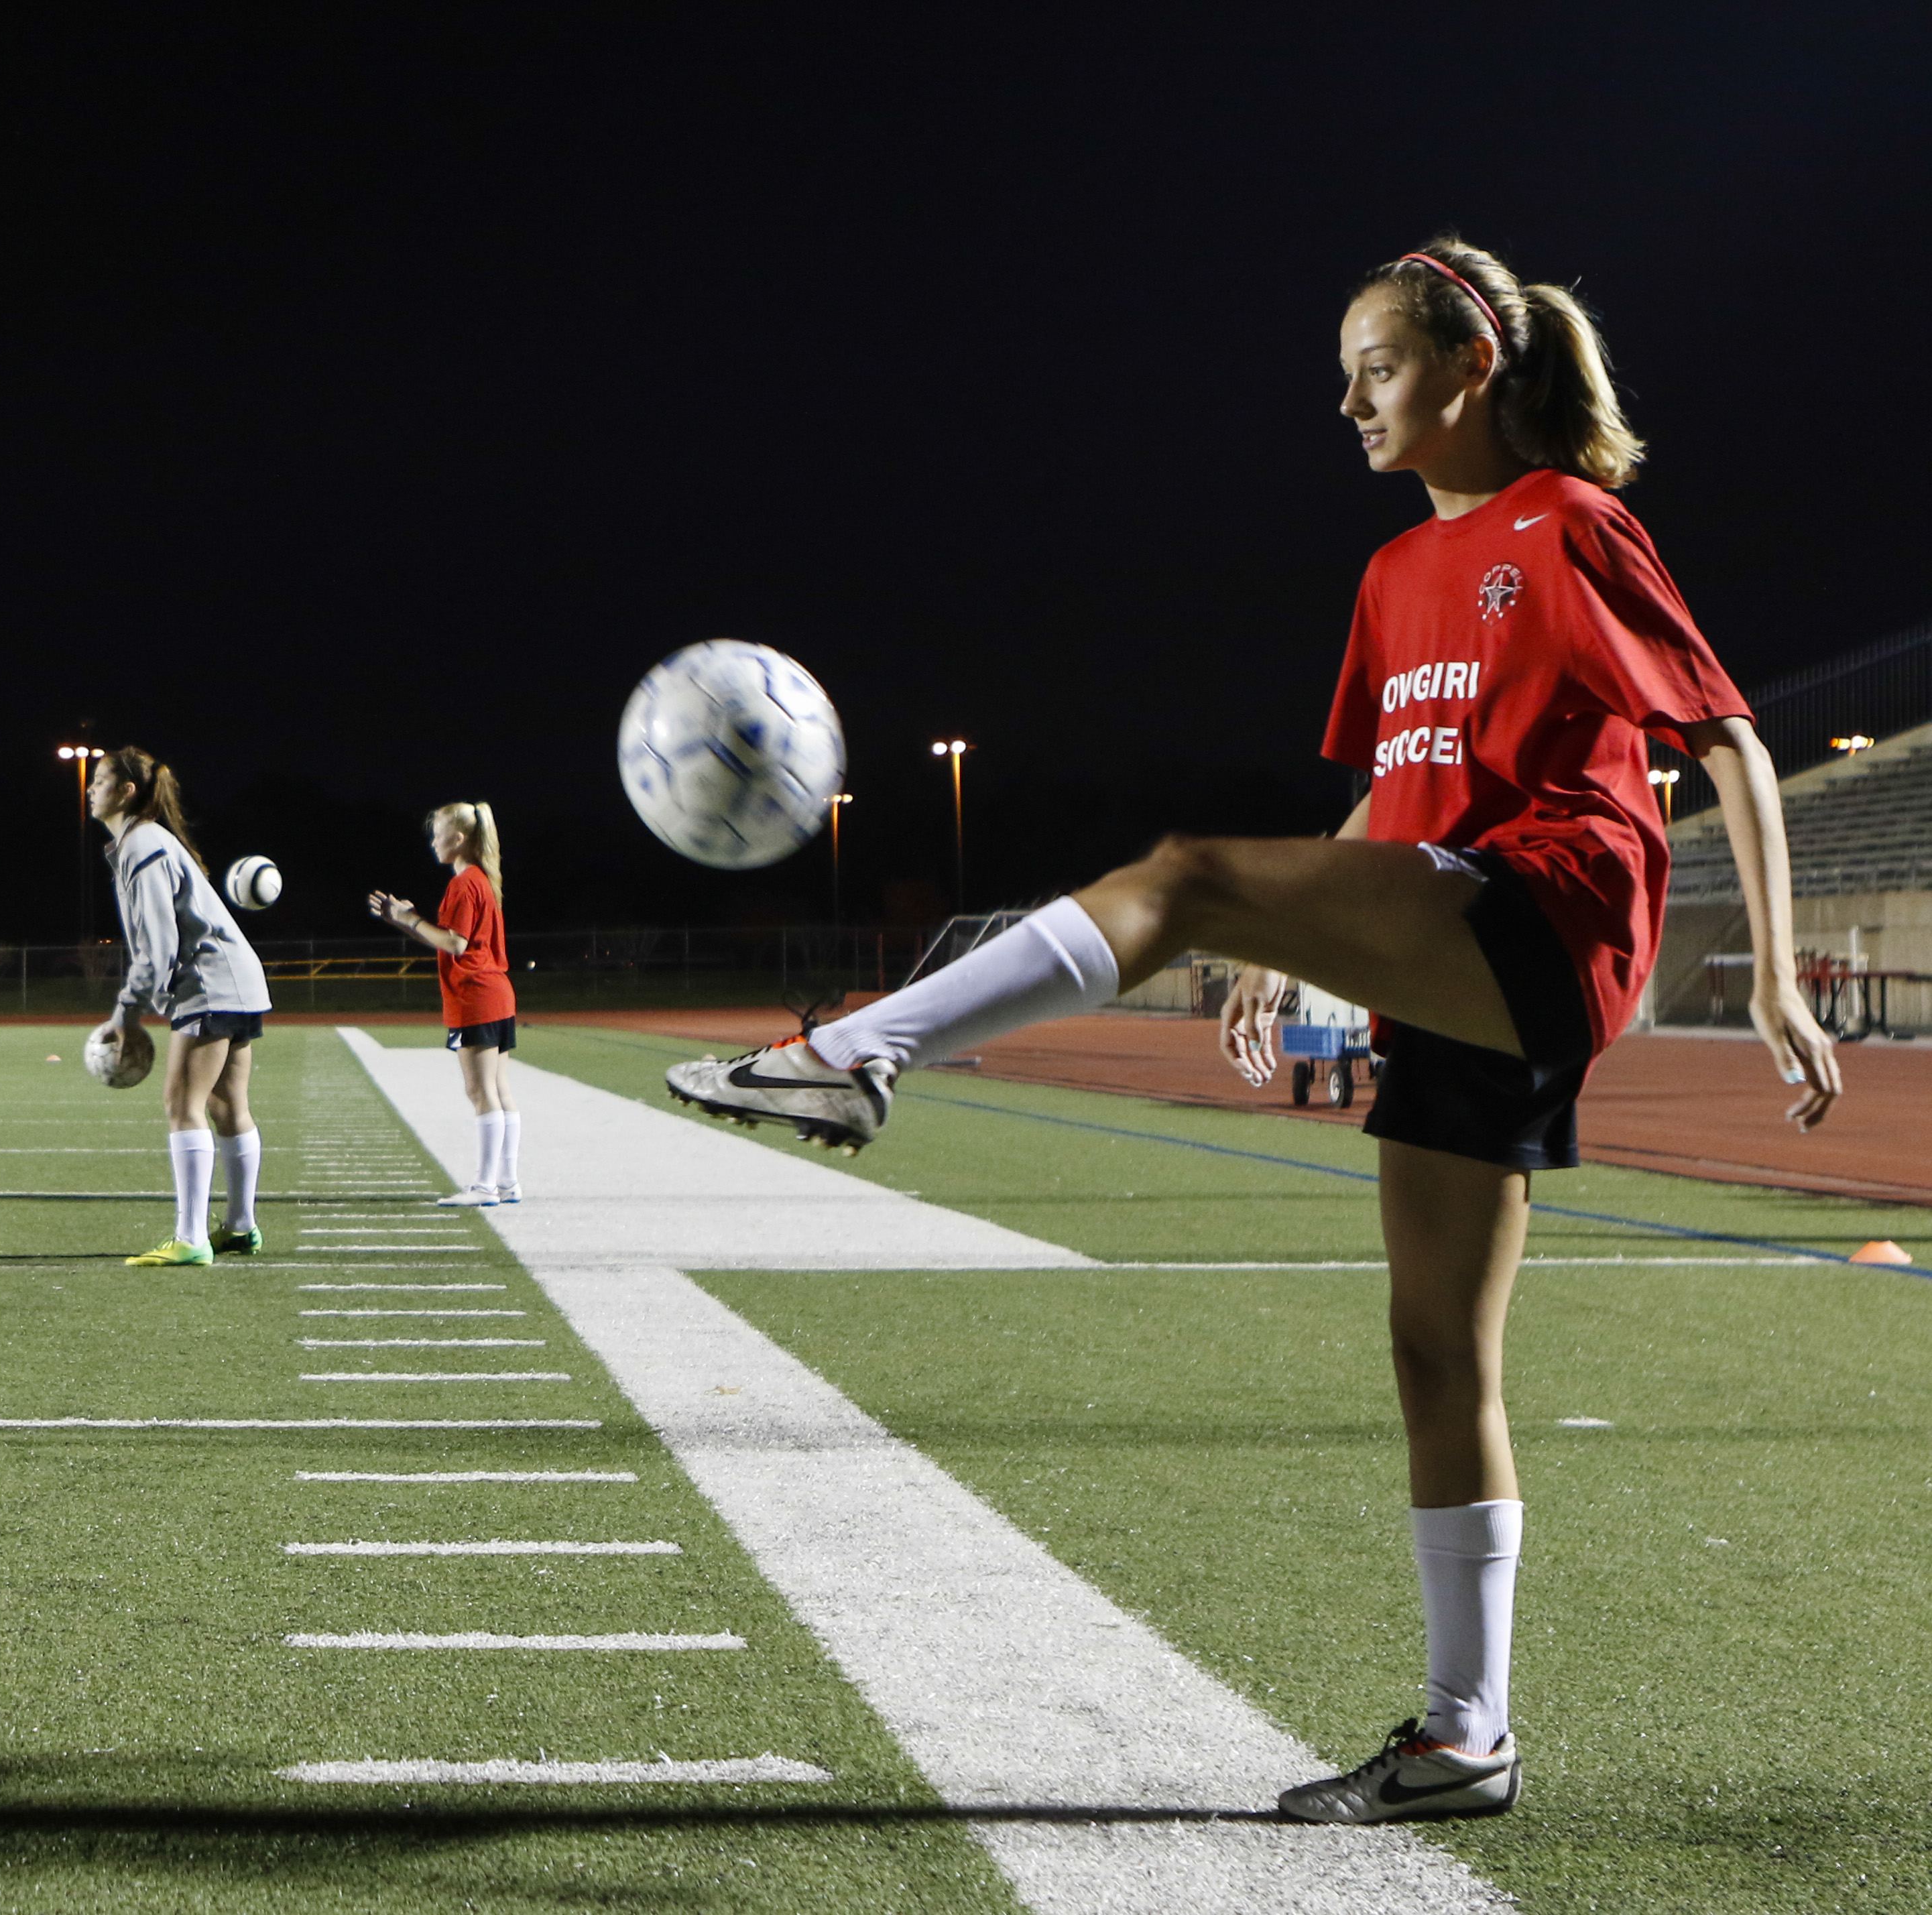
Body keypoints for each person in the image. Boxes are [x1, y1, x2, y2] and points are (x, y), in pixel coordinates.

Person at [664, 236, 1840, 1825]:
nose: (1346, 396)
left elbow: (1734, 744)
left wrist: (1773, 972)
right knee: (1436, 1351)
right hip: (1441, 925)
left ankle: (860, 1048)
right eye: (1346, 368)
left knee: (1189, 873)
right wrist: (1295, 953)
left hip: (1553, 909)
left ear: (1471, 366)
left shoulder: (1568, 527)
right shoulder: (1389, 574)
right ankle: (1465, 1737)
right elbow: (1397, 785)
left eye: (1378, 365)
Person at [87, 748, 276, 1265]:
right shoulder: (144, 842)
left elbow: (159, 945)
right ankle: (239, 1227)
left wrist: (125, 1012)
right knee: (225, 1105)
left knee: (182, 1105)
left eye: (100, 780)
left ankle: (191, 1238)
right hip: (236, 978)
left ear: (127, 791)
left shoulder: (142, 843)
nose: (90, 788)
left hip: (211, 984)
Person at [370, 800, 519, 1206]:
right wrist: (407, 921)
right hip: (496, 993)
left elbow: (455, 943)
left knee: (480, 1091)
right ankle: (506, 1181)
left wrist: (412, 920)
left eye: (437, 834)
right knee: (499, 1089)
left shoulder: (463, 883)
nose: (433, 842)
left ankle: (486, 1186)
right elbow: (453, 942)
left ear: (457, 838)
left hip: (476, 996)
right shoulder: (481, 879)